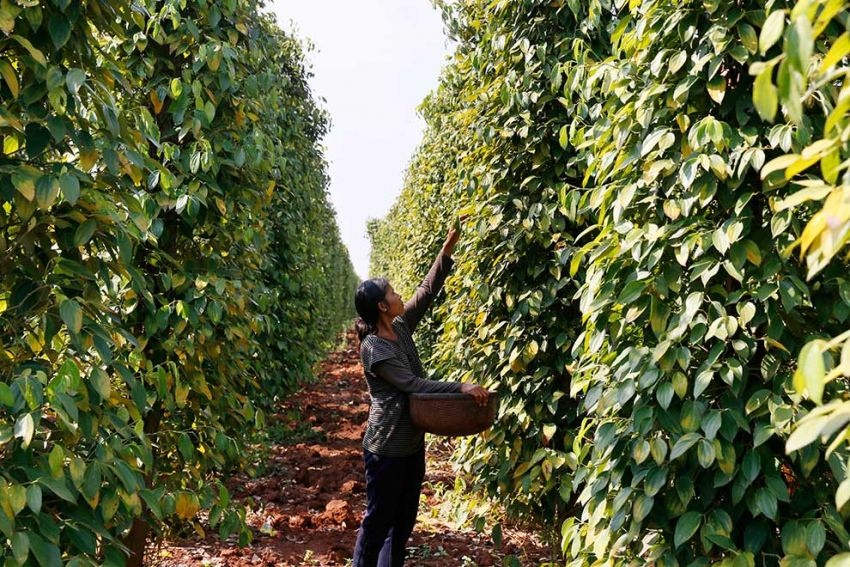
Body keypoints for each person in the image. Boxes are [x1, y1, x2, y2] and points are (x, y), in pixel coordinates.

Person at [351, 215, 490, 567]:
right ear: (382, 306)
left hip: (411, 443)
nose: (400, 296)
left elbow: (425, 294)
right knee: (379, 520)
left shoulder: (399, 325)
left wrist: (446, 249)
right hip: (386, 447)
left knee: (404, 521)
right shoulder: (373, 347)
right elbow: (411, 385)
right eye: (393, 293)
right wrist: (460, 386)